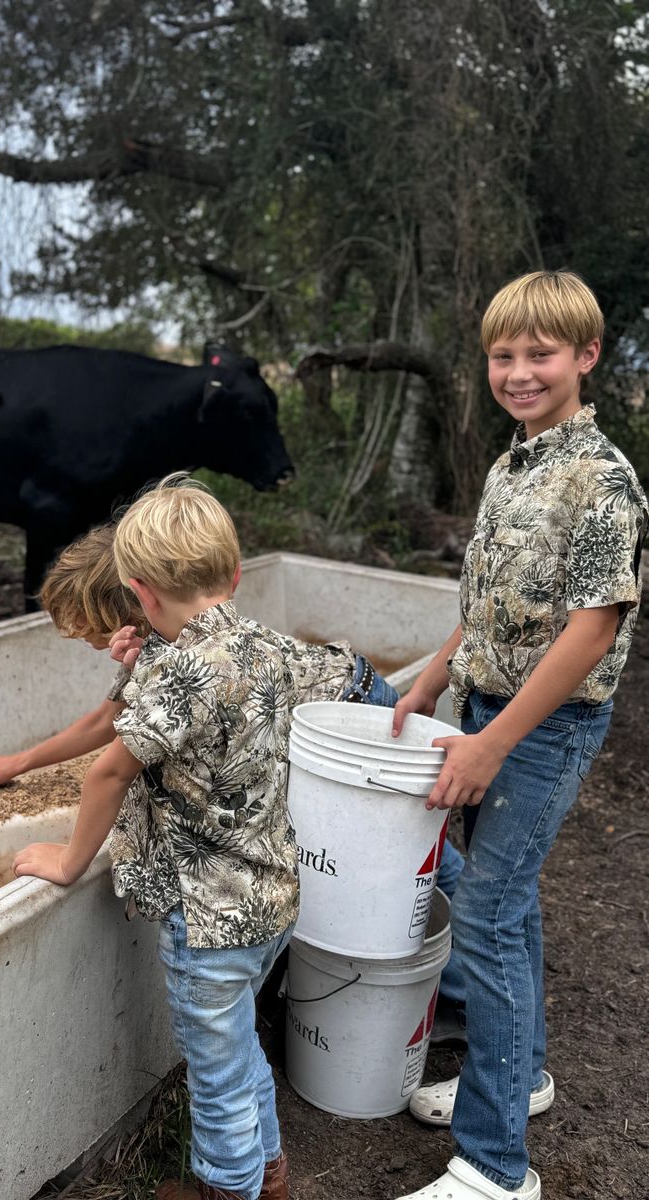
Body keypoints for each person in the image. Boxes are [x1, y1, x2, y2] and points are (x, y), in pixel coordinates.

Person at [11, 474, 386, 1200]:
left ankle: (229, 1187)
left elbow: (107, 772)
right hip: (272, 903)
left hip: (208, 922)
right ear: (234, 573)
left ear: (140, 592)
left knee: (214, 1078)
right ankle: (269, 1174)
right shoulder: (266, 647)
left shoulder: (180, 672)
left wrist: (68, 861)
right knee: (241, 1051)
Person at [391, 270, 647, 1200]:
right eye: (504, 354)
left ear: (586, 356)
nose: (519, 371)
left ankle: (496, 1167)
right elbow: (487, 605)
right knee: (512, 905)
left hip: (547, 727)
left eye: (541, 354)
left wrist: (495, 744)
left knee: (490, 919)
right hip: (489, 707)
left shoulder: (603, 480)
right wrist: (431, 677)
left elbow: (594, 626)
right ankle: (521, 1074)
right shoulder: (512, 464)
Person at [0, 524, 144, 796]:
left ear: (110, 607)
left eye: (78, 612)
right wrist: (16, 763)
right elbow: (105, 720)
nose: (74, 626)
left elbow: (109, 773)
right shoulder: (139, 647)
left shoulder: (170, 650)